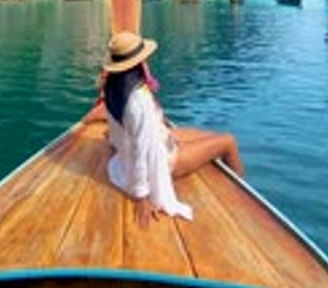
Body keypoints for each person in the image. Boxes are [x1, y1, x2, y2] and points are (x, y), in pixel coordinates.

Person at [102, 30, 244, 229]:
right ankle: (241, 203)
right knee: (228, 141)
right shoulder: (138, 102)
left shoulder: (111, 86)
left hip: (144, 150)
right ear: (137, 63)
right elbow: (143, 149)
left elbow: (127, 131)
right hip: (163, 160)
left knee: (211, 137)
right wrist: (142, 197)